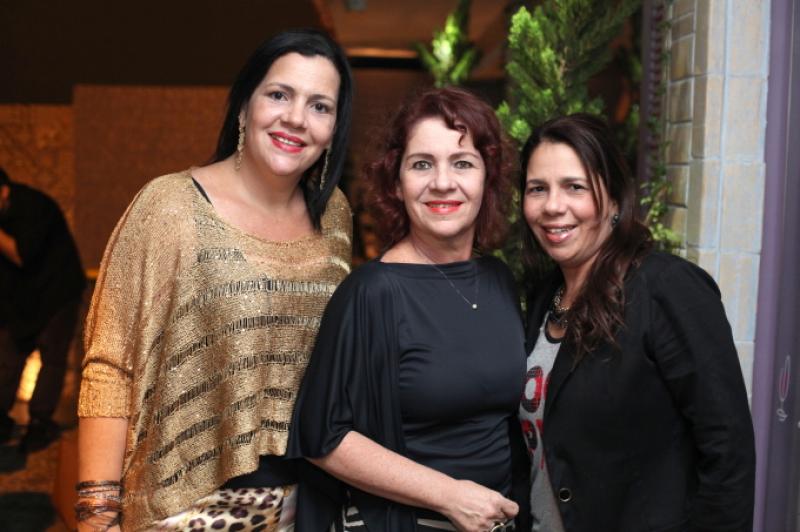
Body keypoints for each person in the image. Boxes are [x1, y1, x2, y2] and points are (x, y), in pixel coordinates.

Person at [76, 29, 354, 532]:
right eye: (279, 95)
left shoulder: (334, 215)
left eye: (320, 106)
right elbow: (110, 366)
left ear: (334, 129)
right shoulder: (169, 206)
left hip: (305, 506)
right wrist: (97, 516)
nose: (296, 118)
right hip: (181, 507)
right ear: (244, 107)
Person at [289, 86, 530, 532]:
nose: (442, 182)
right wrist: (450, 496)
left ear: (488, 178)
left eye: (463, 163)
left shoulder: (498, 279)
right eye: (422, 164)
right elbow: (321, 436)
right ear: (397, 184)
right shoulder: (371, 293)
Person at [518, 113, 755, 532]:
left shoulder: (666, 288)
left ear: (613, 199)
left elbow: (728, 450)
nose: (553, 206)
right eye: (538, 188)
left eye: (575, 187)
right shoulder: (544, 297)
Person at [0, 167, 86, 451]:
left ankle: (40, 423)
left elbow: (22, 254)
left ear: (3, 191)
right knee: (8, 355)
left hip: (56, 293)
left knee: (52, 358)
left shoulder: (33, 206)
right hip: (20, 301)